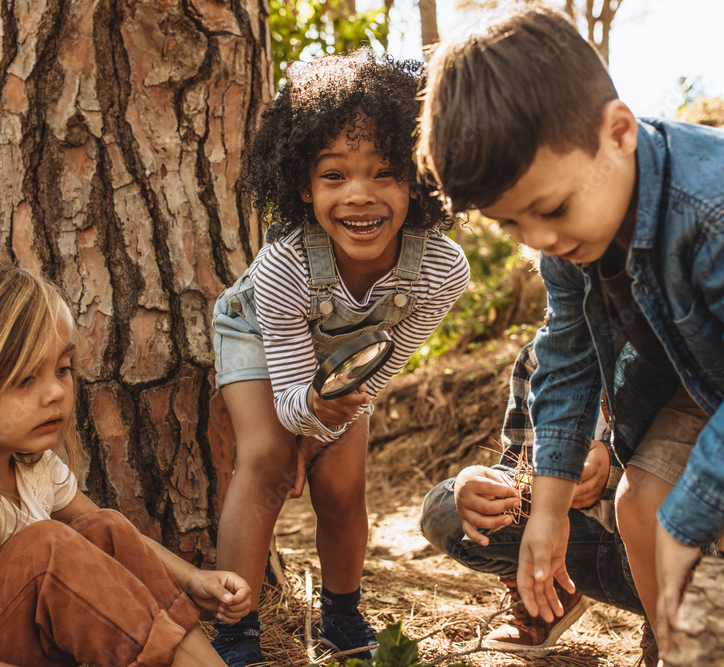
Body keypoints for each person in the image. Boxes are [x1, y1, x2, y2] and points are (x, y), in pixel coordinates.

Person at [415, 5, 724, 658]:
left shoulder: (723, 206)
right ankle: (680, 647)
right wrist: (548, 507)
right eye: (513, 226)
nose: (541, 240)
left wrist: (695, 513)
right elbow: (565, 357)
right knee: (639, 507)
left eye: (551, 209)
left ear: (618, 132)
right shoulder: (570, 236)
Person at [0, 251, 250, 667]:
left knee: (105, 528)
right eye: (26, 378)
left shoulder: (30, 463)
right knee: (46, 549)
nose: (56, 393)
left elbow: (116, 543)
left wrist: (193, 579)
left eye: (62, 369)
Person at [211, 49, 470, 666]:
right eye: (334, 176)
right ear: (303, 185)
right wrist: (304, 430)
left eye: (385, 173)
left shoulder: (440, 269)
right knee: (270, 462)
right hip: (259, 341)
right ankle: (235, 627)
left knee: (344, 487)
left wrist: (329, 426)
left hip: (349, 368)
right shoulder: (284, 268)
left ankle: (343, 613)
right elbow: (294, 392)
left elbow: (384, 361)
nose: (360, 195)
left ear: (418, 175)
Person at [419, 341, 648, 657]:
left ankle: (666, 623)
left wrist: (614, 471)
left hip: (656, 546)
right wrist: (479, 482)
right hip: (578, 537)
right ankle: (544, 589)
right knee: (441, 510)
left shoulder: (664, 350)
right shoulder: (539, 358)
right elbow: (520, 467)